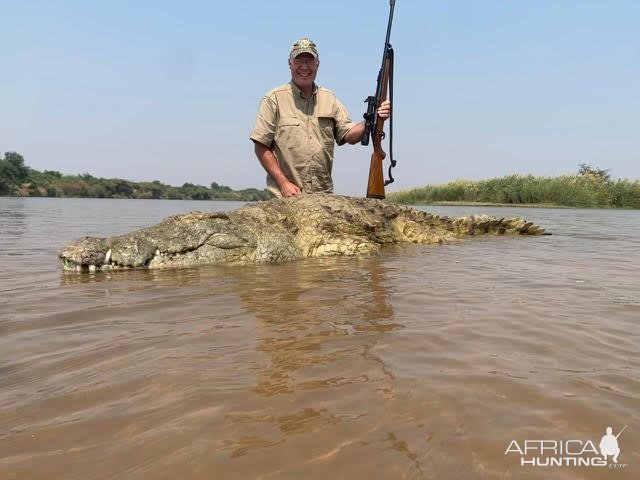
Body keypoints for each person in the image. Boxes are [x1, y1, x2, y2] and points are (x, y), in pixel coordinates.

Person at [250, 38, 391, 197]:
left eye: (310, 61)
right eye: (299, 61)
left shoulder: (330, 99)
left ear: (318, 64)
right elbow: (261, 146)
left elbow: (349, 135)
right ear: (290, 63)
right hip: (286, 198)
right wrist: (283, 184)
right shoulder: (273, 99)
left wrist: (374, 117)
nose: (304, 67)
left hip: (324, 198)